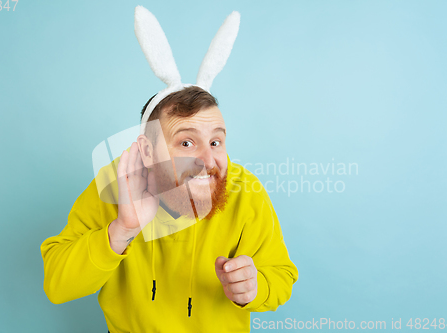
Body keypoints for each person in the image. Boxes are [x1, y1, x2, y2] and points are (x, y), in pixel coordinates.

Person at [40, 86, 299, 332]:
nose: (208, 161)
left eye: (215, 142)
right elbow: (58, 285)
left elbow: (281, 275)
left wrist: (255, 288)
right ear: (148, 151)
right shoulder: (117, 184)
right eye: (187, 143)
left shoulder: (245, 191)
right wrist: (121, 230)